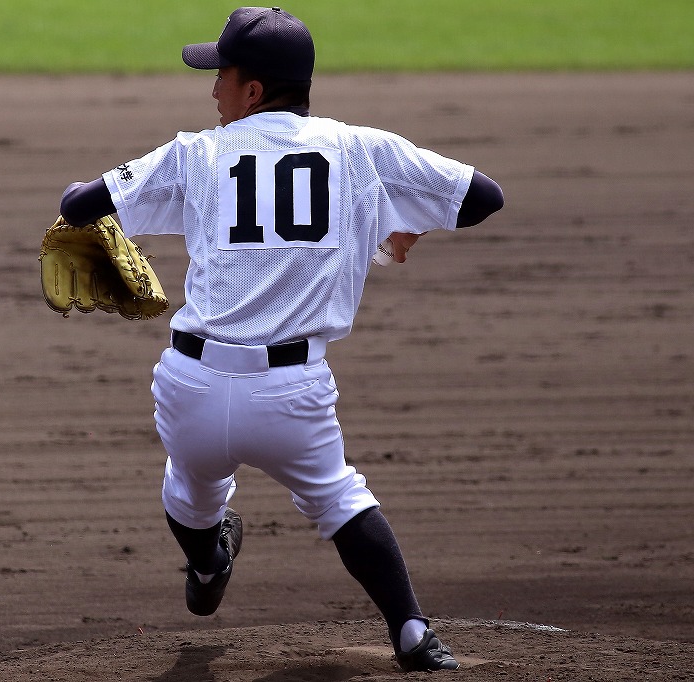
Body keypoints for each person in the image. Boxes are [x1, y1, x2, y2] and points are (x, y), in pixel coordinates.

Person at [59, 6, 503, 672]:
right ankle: (411, 631)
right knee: (340, 500)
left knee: (188, 493)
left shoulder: (196, 154)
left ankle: (208, 562)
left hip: (193, 391)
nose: (213, 92)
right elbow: (483, 197)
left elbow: (81, 205)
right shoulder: (362, 150)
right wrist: (404, 220)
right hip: (294, 399)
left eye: (222, 76)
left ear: (254, 91)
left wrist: (74, 195)